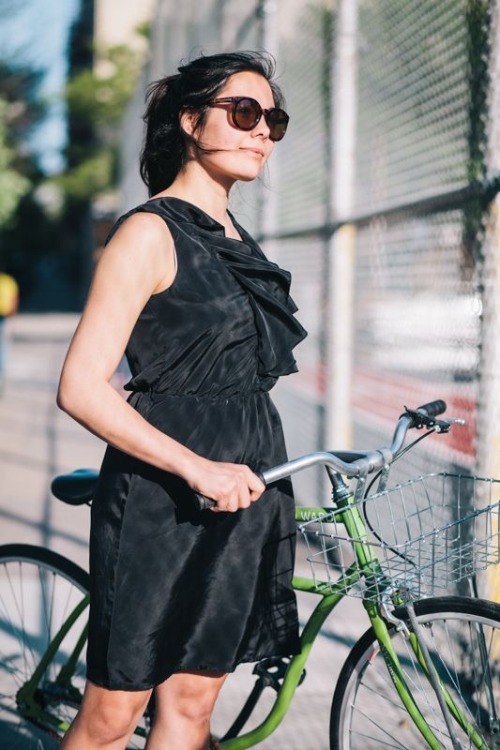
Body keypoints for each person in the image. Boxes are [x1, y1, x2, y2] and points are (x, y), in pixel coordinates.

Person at [57, 50, 306, 750]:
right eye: (245, 112)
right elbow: (79, 387)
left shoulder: (237, 237)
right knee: (111, 718)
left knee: (193, 711)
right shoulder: (147, 234)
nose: (262, 132)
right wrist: (197, 469)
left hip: (247, 491)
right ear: (191, 121)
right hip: (164, 501)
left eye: (272, 120)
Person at [0, 270, 19, 394]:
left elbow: (14, 299)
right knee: (2, 345)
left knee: (2, 346)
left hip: (4, 316)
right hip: (5, 316)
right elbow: (14, 299)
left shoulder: (8, 282)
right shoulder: (9, 281)